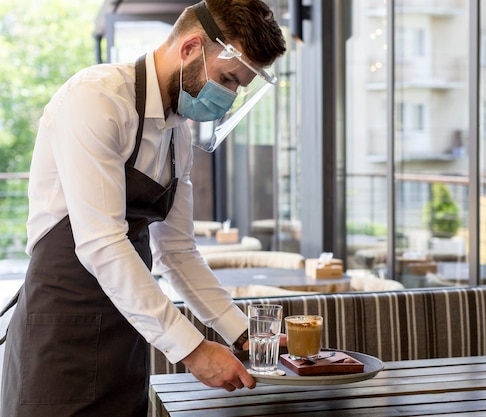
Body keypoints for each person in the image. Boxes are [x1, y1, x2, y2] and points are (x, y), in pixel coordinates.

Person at [0, 0, 285, 415]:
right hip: (61, 333)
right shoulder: (96, 100)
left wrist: (243, 333)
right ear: (189, 48)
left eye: (238, 87)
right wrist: (192, 350)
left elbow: (178, 253)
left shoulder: (177, 136)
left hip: (129, 333)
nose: (228, 96)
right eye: (227, 79)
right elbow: (101, 243)